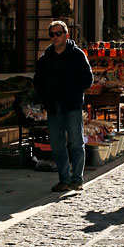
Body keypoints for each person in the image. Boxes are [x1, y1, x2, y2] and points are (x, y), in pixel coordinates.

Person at [34, 20, 93, 193]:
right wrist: (45, 99)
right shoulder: (46, 58)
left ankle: (77, 179)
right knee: (58, 146)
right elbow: (38, 81)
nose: (54, 38)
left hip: (72, 106)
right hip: (53, 108)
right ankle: (64, 179)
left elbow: (87, 79)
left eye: (58, 34)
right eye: (51, 34)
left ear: (66, 35)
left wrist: (73, 92)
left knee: (76, 143)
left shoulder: (77, 55)